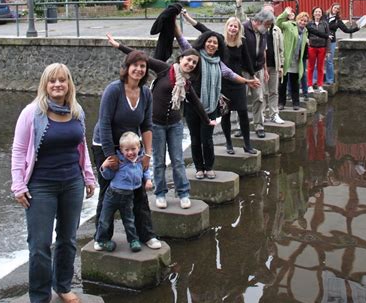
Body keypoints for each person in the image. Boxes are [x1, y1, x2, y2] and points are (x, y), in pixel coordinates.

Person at [11, 63, 96, 303]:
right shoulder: (32, 113)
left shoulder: (77, 112)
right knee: (39, 244)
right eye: (52, 81)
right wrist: (18, 185)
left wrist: (89, 177)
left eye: (62, 80)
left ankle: (63, 287)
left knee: (68, 239)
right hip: (41, 186)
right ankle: (39, 296)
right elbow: (18, 150)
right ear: (45, 85)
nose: (57, 85)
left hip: (72, 182)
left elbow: (81, 148)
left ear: (69, 84)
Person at [107, 34, 217, 207]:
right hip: (155, 124)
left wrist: (207, 120)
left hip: (175, 124)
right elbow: (142, 58)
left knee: (178, 160)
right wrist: (119, 45)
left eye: (194, 63)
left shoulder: (186, 83)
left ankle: (183, 193)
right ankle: (160, 193)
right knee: (158, 161)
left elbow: (195, 101)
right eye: (188, 60)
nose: (190, 64)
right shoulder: (165, 69)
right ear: (181, 59)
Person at [92, 50, 161, 251]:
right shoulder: (114, 90)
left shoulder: (146, 92)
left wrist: (147, 154)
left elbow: (147, 125)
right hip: (106, 145)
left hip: (131, 147)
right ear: (127, 68)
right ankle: (101, 237)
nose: (139, 69)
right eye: (135, 65)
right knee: (108, 192)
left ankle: (146, 235)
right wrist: (110, 155)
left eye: (143, 66)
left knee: (138, 189)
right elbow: (104, 123)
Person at [176, 20, 260, 177]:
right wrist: (174, 22)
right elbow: (182, 41)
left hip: (211, 106)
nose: (212, 45)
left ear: (218, 47)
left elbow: (230, 74)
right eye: (209, 42)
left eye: (215, 43)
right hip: (193, 105)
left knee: (207, 139)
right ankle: (199, 169)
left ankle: (209, 167)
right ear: (204, 42)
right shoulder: (195, 57)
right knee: (195, 139)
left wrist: (248, 81)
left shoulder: (218, 63)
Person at [95, 131, 152, 252]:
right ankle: (101, 240)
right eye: (126, 150)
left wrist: (148, 180)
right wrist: (104, 166)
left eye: (133, 149)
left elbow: (145, 170)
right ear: (121, 150)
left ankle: (133, 240)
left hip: (128, 197)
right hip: (112, 195)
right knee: (104, 220)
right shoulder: (118, 161)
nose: (130, 153)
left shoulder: (140, 160)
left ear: (139, 147)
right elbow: (108, 176)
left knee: (129, 220)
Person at [235, 0, 275, 138]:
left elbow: (263, 51)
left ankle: (259, 125)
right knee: (242, 99)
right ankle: (241, 126)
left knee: (259, 98)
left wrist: (264, 70)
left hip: (258, 69)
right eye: (268, 24)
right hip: (244, 70)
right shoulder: (245, 27)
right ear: (259, 21)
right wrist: (239, 5)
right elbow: (238, 19)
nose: (268, 27)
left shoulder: (263, 32)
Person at [277, 8, 309, 110]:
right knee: (283, 82)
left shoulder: (305, 31)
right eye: (301, 20)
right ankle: (281, 103)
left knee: (295, 82)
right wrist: (285, 13)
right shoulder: (289, 25)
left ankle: (296, 103)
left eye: (305, 21)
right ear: (297, 19)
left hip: (296, 60)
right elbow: (278, 23)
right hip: (286, 59)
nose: (302, 22)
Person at [325, 3, 360, 84]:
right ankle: (314, 80)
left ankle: (329, 80)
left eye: (337, 8)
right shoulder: (324, 16)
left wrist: (357, 28)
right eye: (335, 7)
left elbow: (346, 30)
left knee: (329, 61)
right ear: (331, 7)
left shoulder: (338, 21)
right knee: (318, 60)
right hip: (322, 40)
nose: (336, 9)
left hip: (331, 42)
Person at [262, 4, 285, 124]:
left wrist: (281, 65)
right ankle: (262, 114)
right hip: (261, 67)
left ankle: (274, 114)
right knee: (262, 92)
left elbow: (281, 49)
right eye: (267, 12)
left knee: (274, 91)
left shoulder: (277, 30)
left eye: (271, 12)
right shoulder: (258, 28)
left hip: (274, 65)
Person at [306, 7, 330, 93]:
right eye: (316, 12)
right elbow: (306, 35)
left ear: (321, 13)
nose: (318, 13)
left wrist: (328, 51)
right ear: (313, 13)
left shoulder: (325, 24)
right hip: (312, 47)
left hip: (322, 48)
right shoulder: (309, 24)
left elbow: (328, 37)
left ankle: (320, 86)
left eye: (319, 12)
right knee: (310, 67)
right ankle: (310, 86)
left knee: (320, 68)